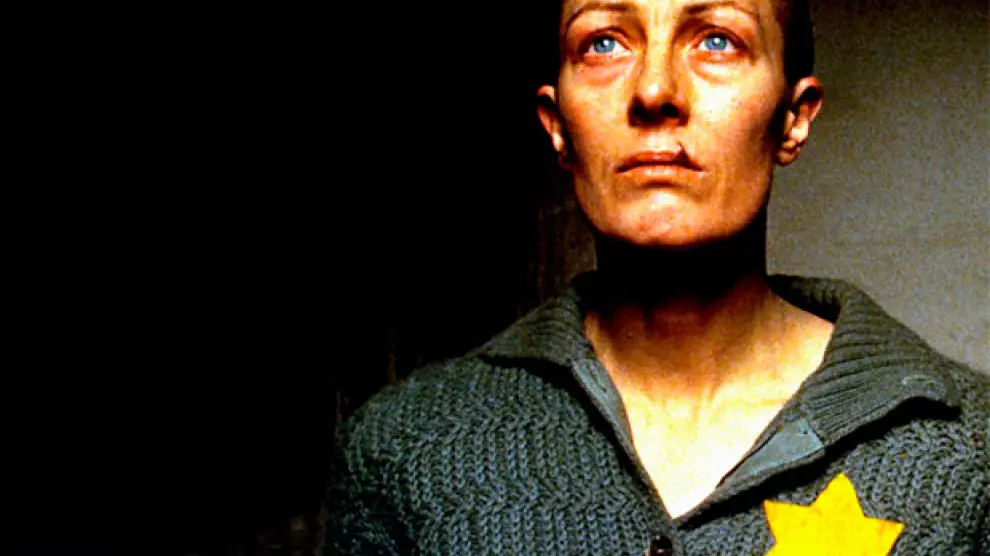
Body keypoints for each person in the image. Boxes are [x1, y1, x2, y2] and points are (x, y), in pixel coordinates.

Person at [322, 0, 990, 553]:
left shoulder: (969, 447)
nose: (654, 92)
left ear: (793, 117)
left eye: (718, 40)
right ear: (557, 126)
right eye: (604, 43)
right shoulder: (405, 447)